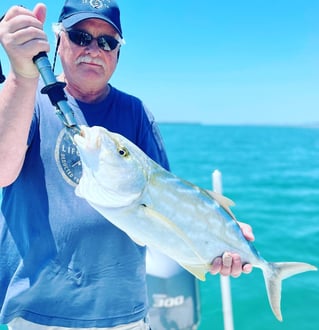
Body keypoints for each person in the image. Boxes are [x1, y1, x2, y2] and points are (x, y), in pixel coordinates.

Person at [0, 1, 254, 329]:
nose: (94, 49)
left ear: (118, 53)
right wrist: (21, 76)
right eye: (80, 36)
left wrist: (217, 243)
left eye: (107, 42)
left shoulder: (135, 112)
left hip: (125, 315)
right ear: (58, 40)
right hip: (39, 314)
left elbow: (165, 199)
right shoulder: (25, 97)